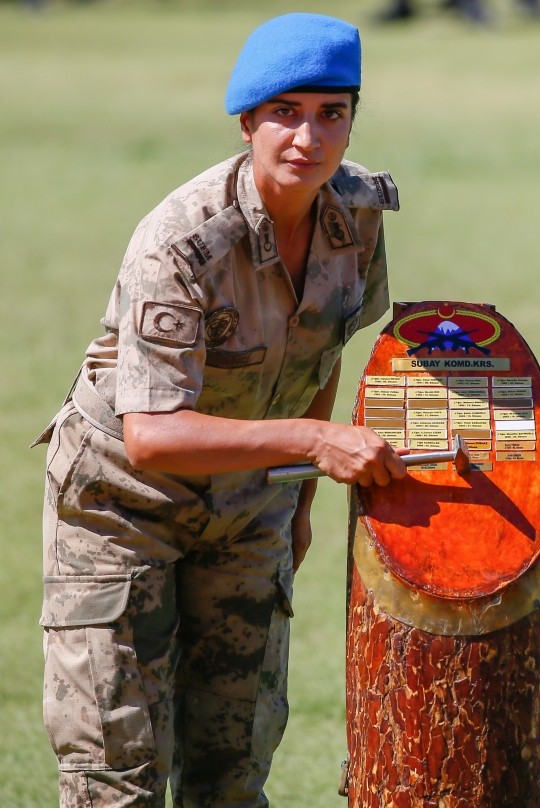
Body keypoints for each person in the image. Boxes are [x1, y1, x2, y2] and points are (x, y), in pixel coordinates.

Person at [34, 13, 407, 808]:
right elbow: (152, 436)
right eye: (286, 111)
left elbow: (323, 355)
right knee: (113, 774)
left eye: (331, 113)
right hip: (119, 509)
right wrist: (312, 445)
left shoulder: (359, 217)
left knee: (232, 774)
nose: (308, 136)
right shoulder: (181, 240)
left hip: (249, 506)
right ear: (247, 122)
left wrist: (300, 504)